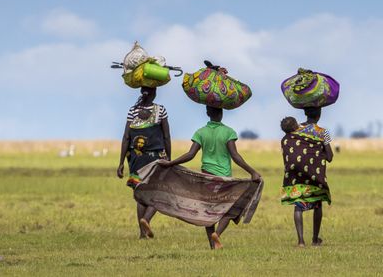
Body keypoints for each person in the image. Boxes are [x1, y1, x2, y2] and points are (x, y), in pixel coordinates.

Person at [160, 105, 261, 249]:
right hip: (224, 179)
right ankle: (217, 235)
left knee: (208, 212)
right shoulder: (228, 132)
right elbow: (235, 156)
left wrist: (171, 163)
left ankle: (212, 245)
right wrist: (252, 171)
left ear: (207, 113)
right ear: (222, 113)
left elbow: (190, 154)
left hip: (206, 177)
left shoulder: (201, 132)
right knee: (230, 209)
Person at [116, 86, 171, 239]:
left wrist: (121, 163)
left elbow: (126, 137)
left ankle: (142, 234)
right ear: (154, 93)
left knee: (140, 195)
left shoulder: (132, 111)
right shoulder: (161, 110)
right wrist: (169, 158)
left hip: (136, 158)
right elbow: (166, 136)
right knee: (157, 194)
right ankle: (146, 220)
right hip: (156, 158)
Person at [280, 106, 334, 247]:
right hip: (313, 174)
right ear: (320, 114)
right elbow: (329, 157)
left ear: (304, 113)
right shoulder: (323, 132)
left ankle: (301, 242)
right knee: (317, 204)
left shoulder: (294, 129)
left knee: (298, 205)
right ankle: (315, 240)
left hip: (296, 175)